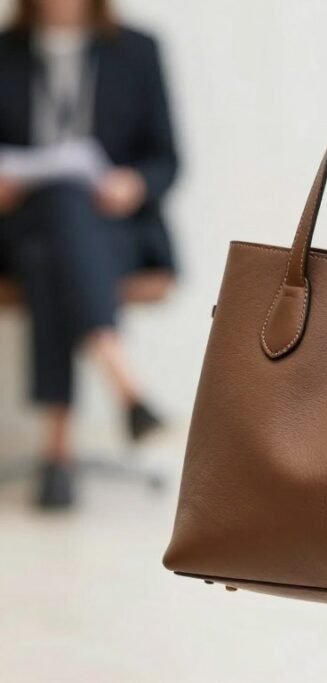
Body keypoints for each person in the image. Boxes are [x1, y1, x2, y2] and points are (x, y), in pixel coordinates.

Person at [0, 0, 179, 509]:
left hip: (113, 230)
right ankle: (123, 381)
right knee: (54, 213)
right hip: (16, 224)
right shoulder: (4, 54)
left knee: (52, 247)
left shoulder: (138, 51)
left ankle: (57, 450)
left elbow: (167, 158)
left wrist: (134, 184)